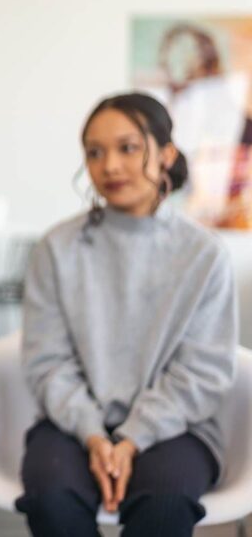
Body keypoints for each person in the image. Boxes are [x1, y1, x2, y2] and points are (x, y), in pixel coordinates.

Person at [16, 92, 238, 537]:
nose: (110, 166)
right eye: (94, 153)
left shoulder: (204, 254)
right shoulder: (57, 249)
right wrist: (96, 436)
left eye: (128, 147)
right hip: (73, 425)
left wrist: (134, 437)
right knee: (51, 500)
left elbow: (204, 369)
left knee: (166, 505)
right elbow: (48, 362)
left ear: (166, 155)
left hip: (176, 428)